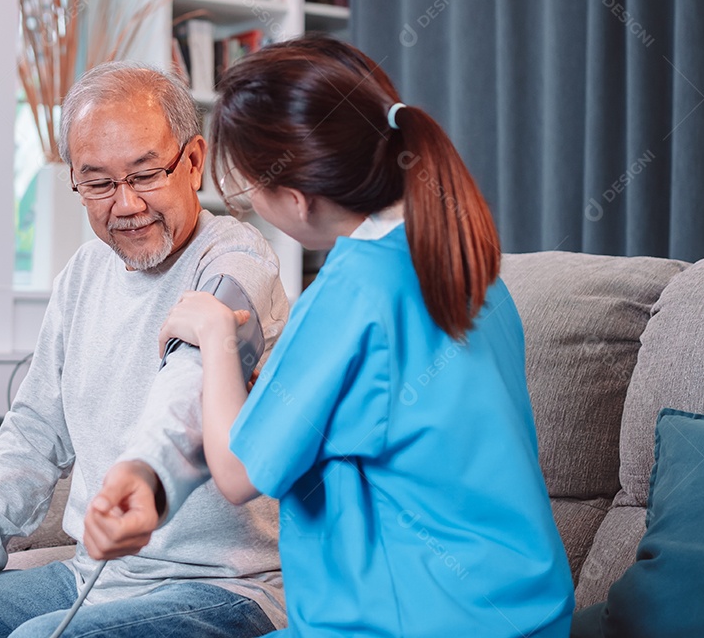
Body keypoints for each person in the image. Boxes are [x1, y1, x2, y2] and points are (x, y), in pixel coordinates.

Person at [89, 36, 575, 637]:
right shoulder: (469, 265)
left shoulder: (350, 292)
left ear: (295, 198)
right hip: (529, 615)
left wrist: (216, 338)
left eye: (252, 191)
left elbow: (240, 474)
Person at [0, 62, 291, 637]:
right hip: (95, 574)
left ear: (192, 162)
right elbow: (36, 430)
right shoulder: (82, 275)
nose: (127, 204)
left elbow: (189, 391)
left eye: (145, 175)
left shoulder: (237, 262)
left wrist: (144, 481)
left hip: (225, 587)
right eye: (99, 183)